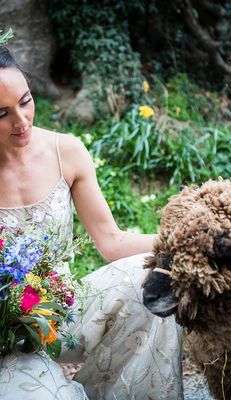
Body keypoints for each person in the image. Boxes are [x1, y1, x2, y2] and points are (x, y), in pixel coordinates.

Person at [0, 46, 183, 400]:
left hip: (67, 308)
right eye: (1, 113)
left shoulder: (64, 151)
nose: (22, 121)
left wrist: (186, 239)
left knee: (151, 278)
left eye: (26, 101)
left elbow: (111, 241)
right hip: (7, 335)